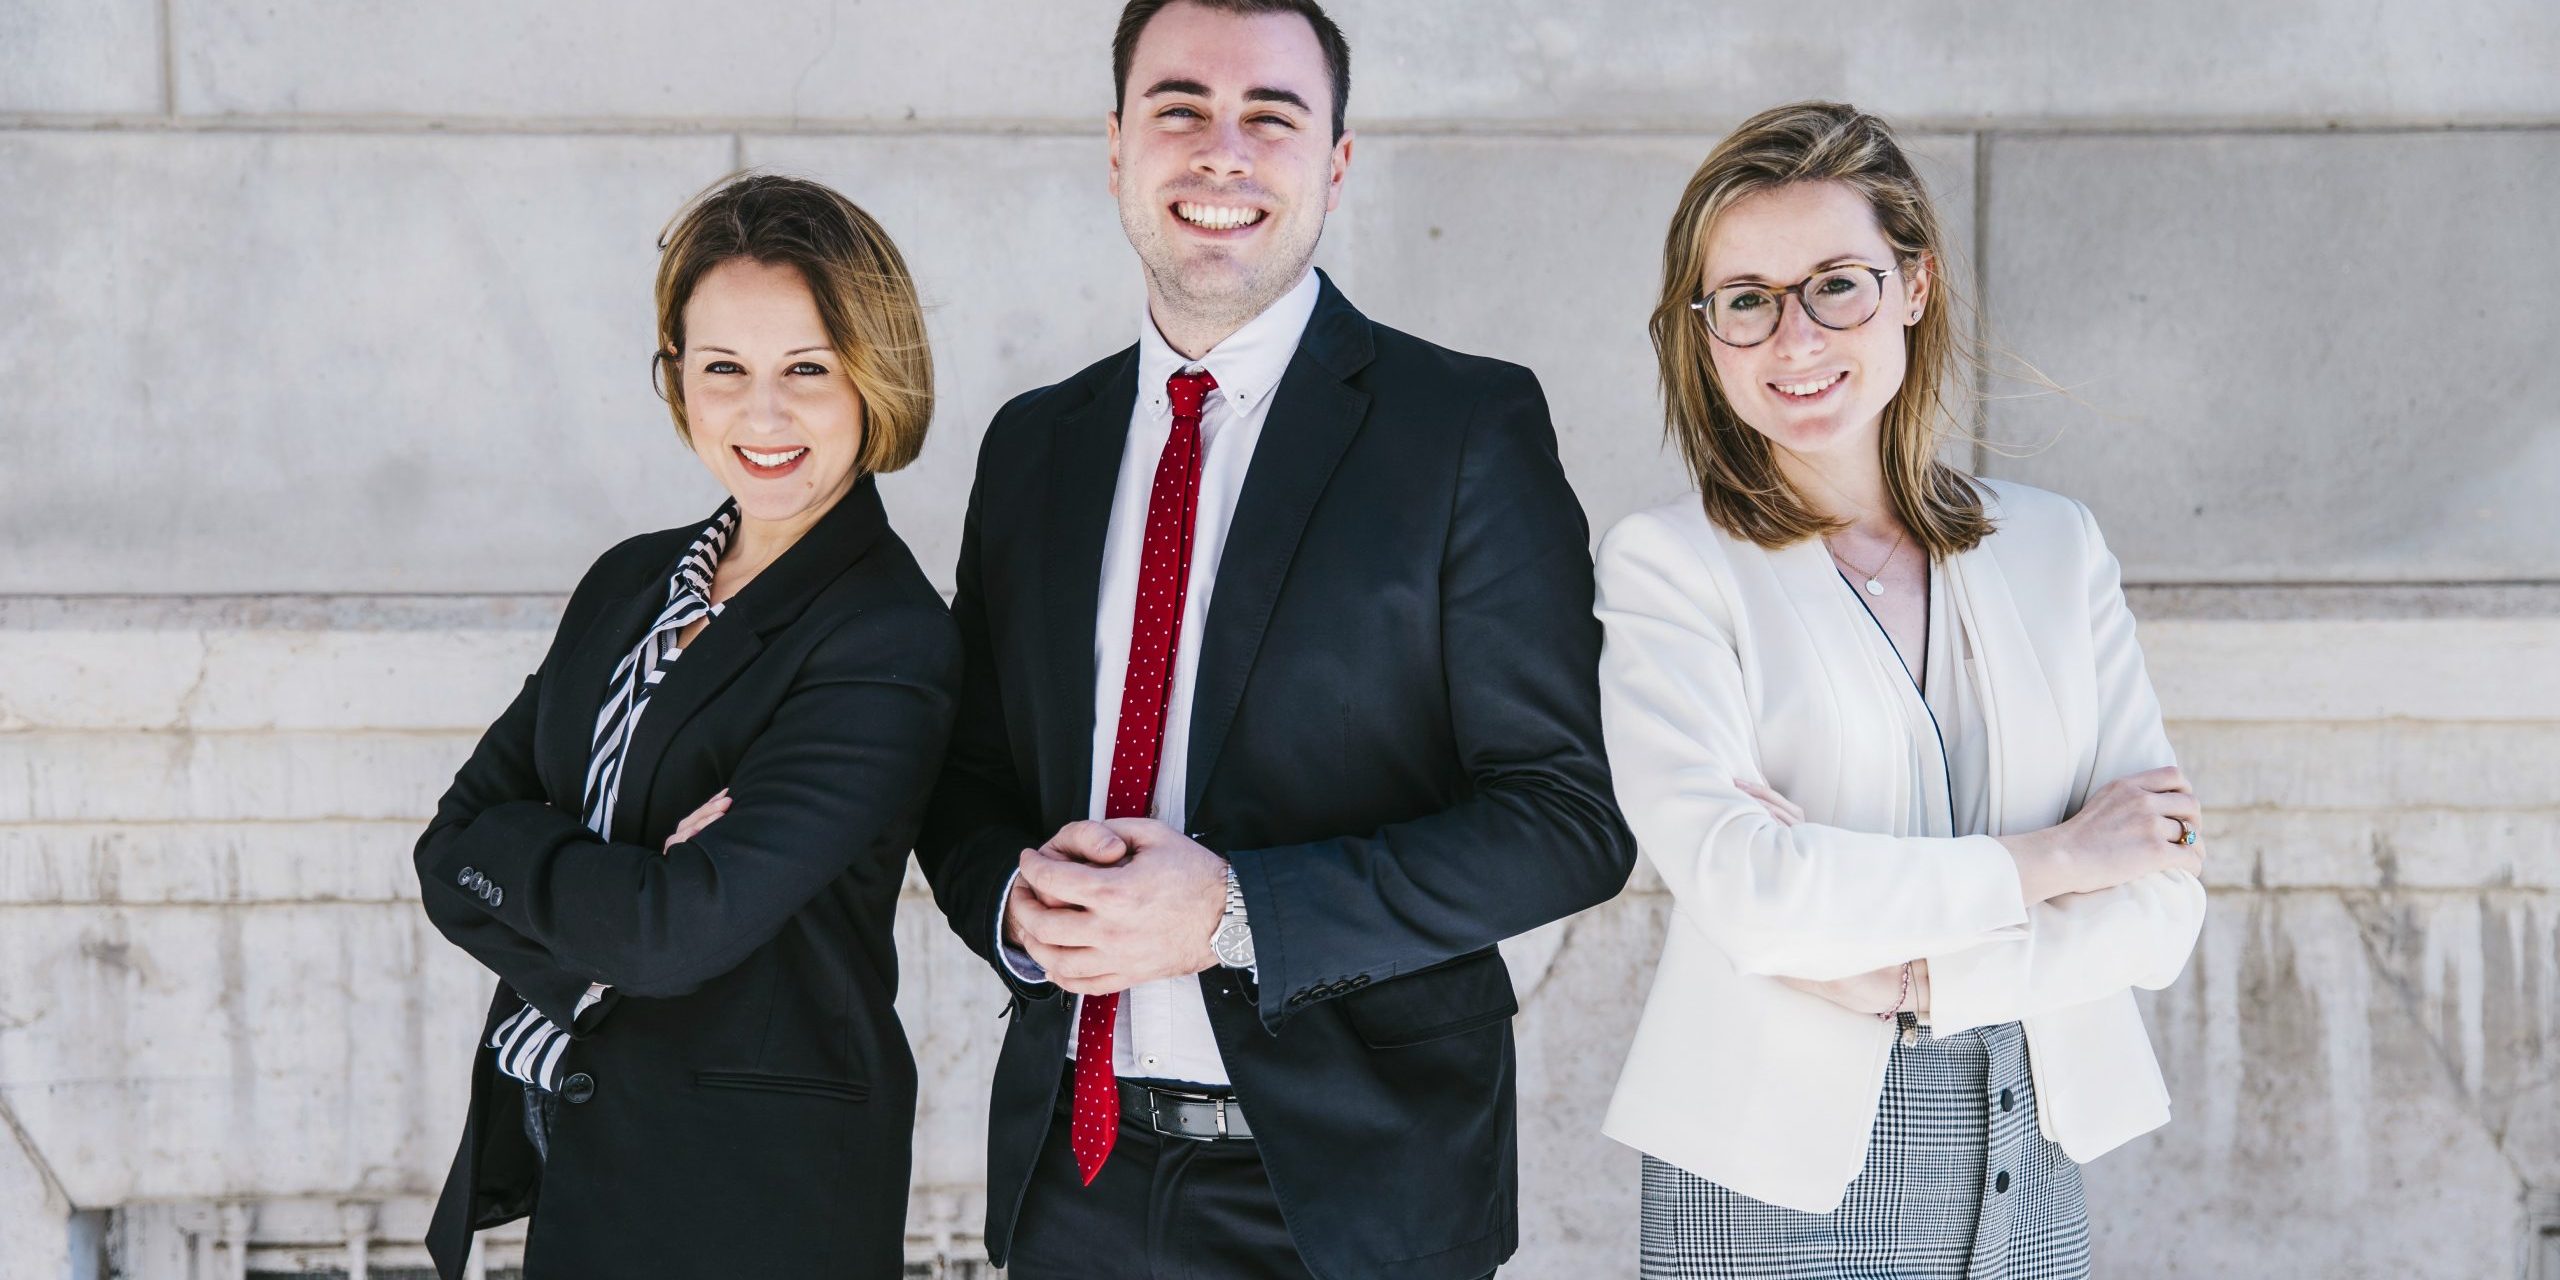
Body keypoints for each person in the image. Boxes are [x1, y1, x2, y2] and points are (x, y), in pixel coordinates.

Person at [914, 2, 1636, 1276]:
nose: (1221, 152)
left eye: (1272, 116)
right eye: (1179, 108)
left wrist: (1235, 911)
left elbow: (1566, 821)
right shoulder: (1032, 445)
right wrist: (1014, 905)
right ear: (1116, 145)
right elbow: (966, 779)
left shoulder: (1463, 426)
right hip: (1069, 1179)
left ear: (1337, 163)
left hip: (1354, 1198)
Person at [1595, 101, 2209, 1279]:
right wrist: (2058, 858)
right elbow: (1754, 893)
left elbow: (2166, 904)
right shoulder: (1670, 564)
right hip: (1770, 1167)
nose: (1794, 337)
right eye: (1746, 299)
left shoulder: (2053, 545)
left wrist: (1927, 974)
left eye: (1837, 283)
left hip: (2026, 1144)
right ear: (1702, 331)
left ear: (1914, 283)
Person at [412, 174, 958, 1279]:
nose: (763, 414)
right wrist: (604, 930)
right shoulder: (631, 580)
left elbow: (674, 933)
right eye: (724, 369)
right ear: (677, 380)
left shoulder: (886, 637)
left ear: (873, 373)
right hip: (572, 1139)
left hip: (748, 1197)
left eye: (806, 368)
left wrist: (558, 872)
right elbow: (448, 846)